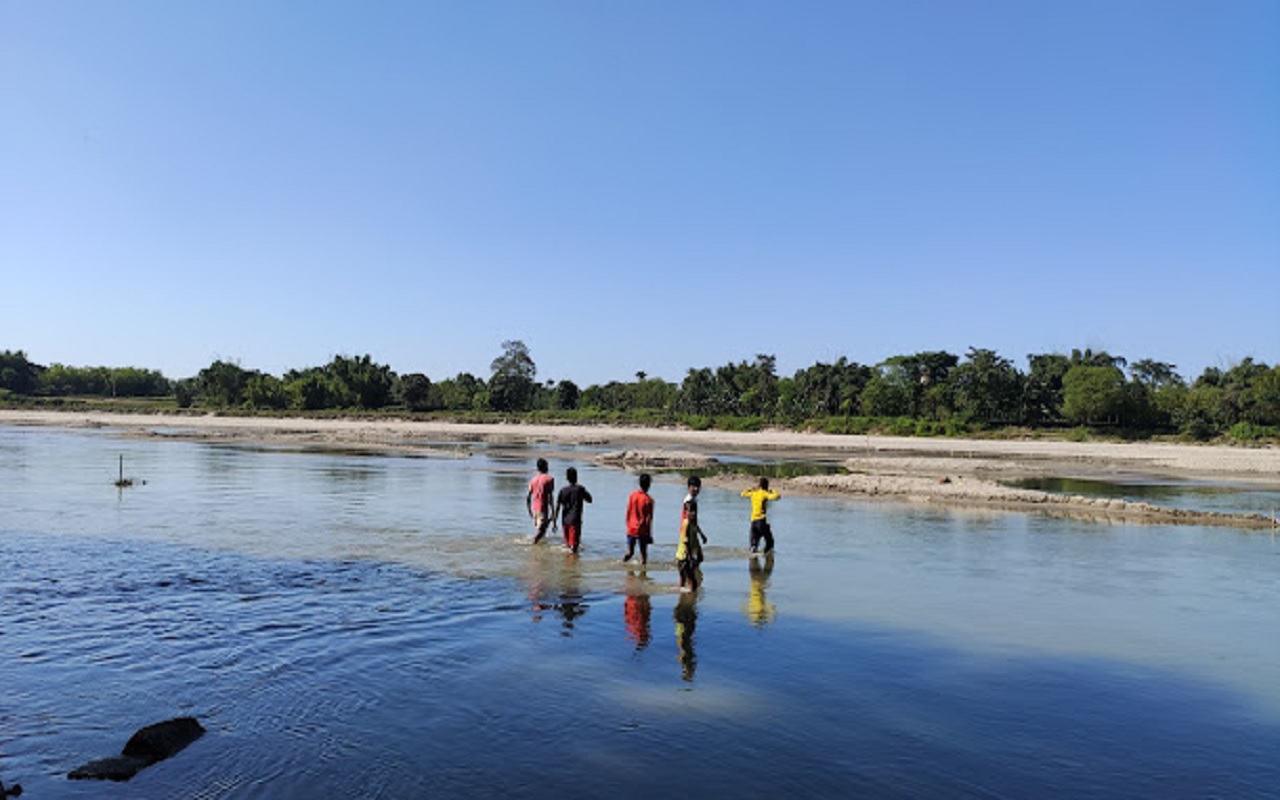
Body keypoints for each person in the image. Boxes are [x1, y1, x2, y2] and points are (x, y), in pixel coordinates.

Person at [676, 475, 707, 592]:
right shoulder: (688, 501)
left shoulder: (693, 500)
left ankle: (686, 579)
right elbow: (689, 520)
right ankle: (687, 581)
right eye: (693, 487)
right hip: (687, 531)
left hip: (692, 531)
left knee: (698, 558)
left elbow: (694, 520)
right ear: (688, 487)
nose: (696, 489)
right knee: (691, 558)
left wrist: (701, 533)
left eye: (698, 487)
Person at [553, 466, 593, 554]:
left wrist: (554, 522)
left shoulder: (563, 490)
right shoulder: (580, 489)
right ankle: (571, 565)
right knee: (574, 548)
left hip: (565, 521)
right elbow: (590, 500)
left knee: (568, 545)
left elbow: (557, 507)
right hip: (575, 521)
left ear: (567, 478)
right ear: (576, 477)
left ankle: (567, 564)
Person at [740, 476, 780, 554]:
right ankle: (768, 554)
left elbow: (742, 493)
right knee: (770, 540)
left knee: (753, 544)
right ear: (766, 485)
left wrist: (751, 489)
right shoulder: (764, 493)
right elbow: (777, 497)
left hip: (753, 521)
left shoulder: (753, 493)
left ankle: (754, 553)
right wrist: (773, 491)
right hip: (761, 521)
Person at [622, 473, 655, 565]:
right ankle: (643, 575)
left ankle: (621, 564)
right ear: (649, 485)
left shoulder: (632, 496)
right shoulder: (649, 500)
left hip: (631, 528)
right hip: (642, 530)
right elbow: (649, 519)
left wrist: (628, 525)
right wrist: (649, 534)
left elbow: (628, 512)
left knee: (630, 553)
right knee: (643, 556)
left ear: (639, 483)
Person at [525, 458, 555, 544]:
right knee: (540, 532)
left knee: (542, 531)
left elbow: (528, 497)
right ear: (546, 467)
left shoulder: (533, 480)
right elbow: (550, 498)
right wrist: (553, 512)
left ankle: (539, 554)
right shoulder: (549, 479)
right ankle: (533, 545)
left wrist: (529, 511)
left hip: (535, 509)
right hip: (543, 509)